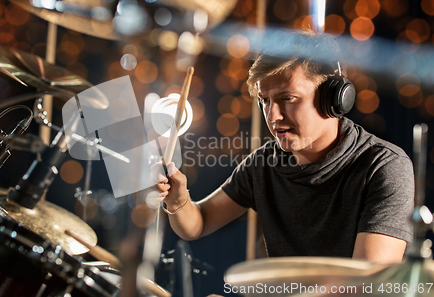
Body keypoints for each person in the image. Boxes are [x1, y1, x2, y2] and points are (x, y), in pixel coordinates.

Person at [154, 33, 414, 264]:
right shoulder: (263, 164)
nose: (273, 116)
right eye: (265, 101)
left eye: (287, 98)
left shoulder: (384, 167)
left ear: (333, 99)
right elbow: (198, 224)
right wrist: (178, 200)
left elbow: (367, 287)